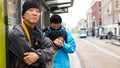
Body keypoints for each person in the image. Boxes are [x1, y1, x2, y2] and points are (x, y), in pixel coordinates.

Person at [8, 0, 58, 68]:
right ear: (23, 15)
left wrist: (38, 55)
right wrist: (43, 56)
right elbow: (29, 60)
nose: (34, 13)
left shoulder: (38, 33)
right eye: (30, 10)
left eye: (37, 11)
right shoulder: (16, 33)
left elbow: (51, 49)